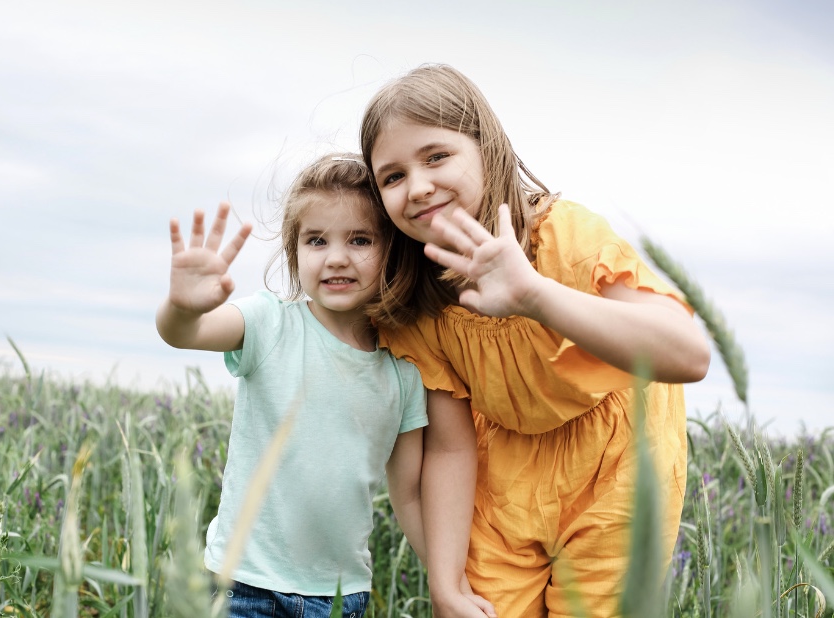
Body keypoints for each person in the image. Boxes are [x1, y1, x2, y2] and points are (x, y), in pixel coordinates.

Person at [359, 64, 712, 618]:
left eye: (436, 156)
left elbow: (689, 355)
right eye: (392, 176)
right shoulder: (414, 301)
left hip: (617, 464)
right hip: (501, 471)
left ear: (485, 147)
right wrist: (446, 584)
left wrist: (533, 293)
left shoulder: (563, 235)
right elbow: (451, 447)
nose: (419, 185)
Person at [155, 153, 489, 618]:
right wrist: (183, 307)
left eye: (359, 239)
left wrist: (448, 583)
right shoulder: (270, 324)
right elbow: (184, 334)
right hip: (243, 584)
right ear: (295, 253)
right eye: (316, 240)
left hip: (340, 594)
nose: (336, 258)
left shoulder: (404, 368)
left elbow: (409, 491)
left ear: (392, 250)